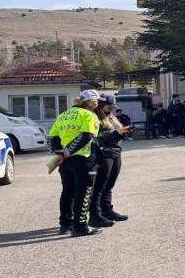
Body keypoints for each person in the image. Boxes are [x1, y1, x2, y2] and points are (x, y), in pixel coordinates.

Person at [48, 89, 103, 237]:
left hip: (65, 161)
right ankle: (80, 226)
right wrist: (68, 151)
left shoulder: (63, 115)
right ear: (91, 102)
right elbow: (87, 136)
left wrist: (61, 153)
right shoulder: (89, 115)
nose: (98, 104)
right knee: (84, 193)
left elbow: (53, 137)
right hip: (83, 159)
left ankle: (65, 224)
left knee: (67, 192)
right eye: (97, 101)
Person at [89, 95, 130, 226]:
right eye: (109, 107)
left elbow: (115, 133)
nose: (111, 109)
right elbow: (95, 138)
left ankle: (107, 210)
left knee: (110, 184)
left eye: (112, 107)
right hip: (104, 154)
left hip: (115, 152)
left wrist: (124, 132)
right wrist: (114, 135)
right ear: (101, 106)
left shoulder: (111, 117)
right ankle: (95, 215)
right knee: (99, 186)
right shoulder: (94, 118)